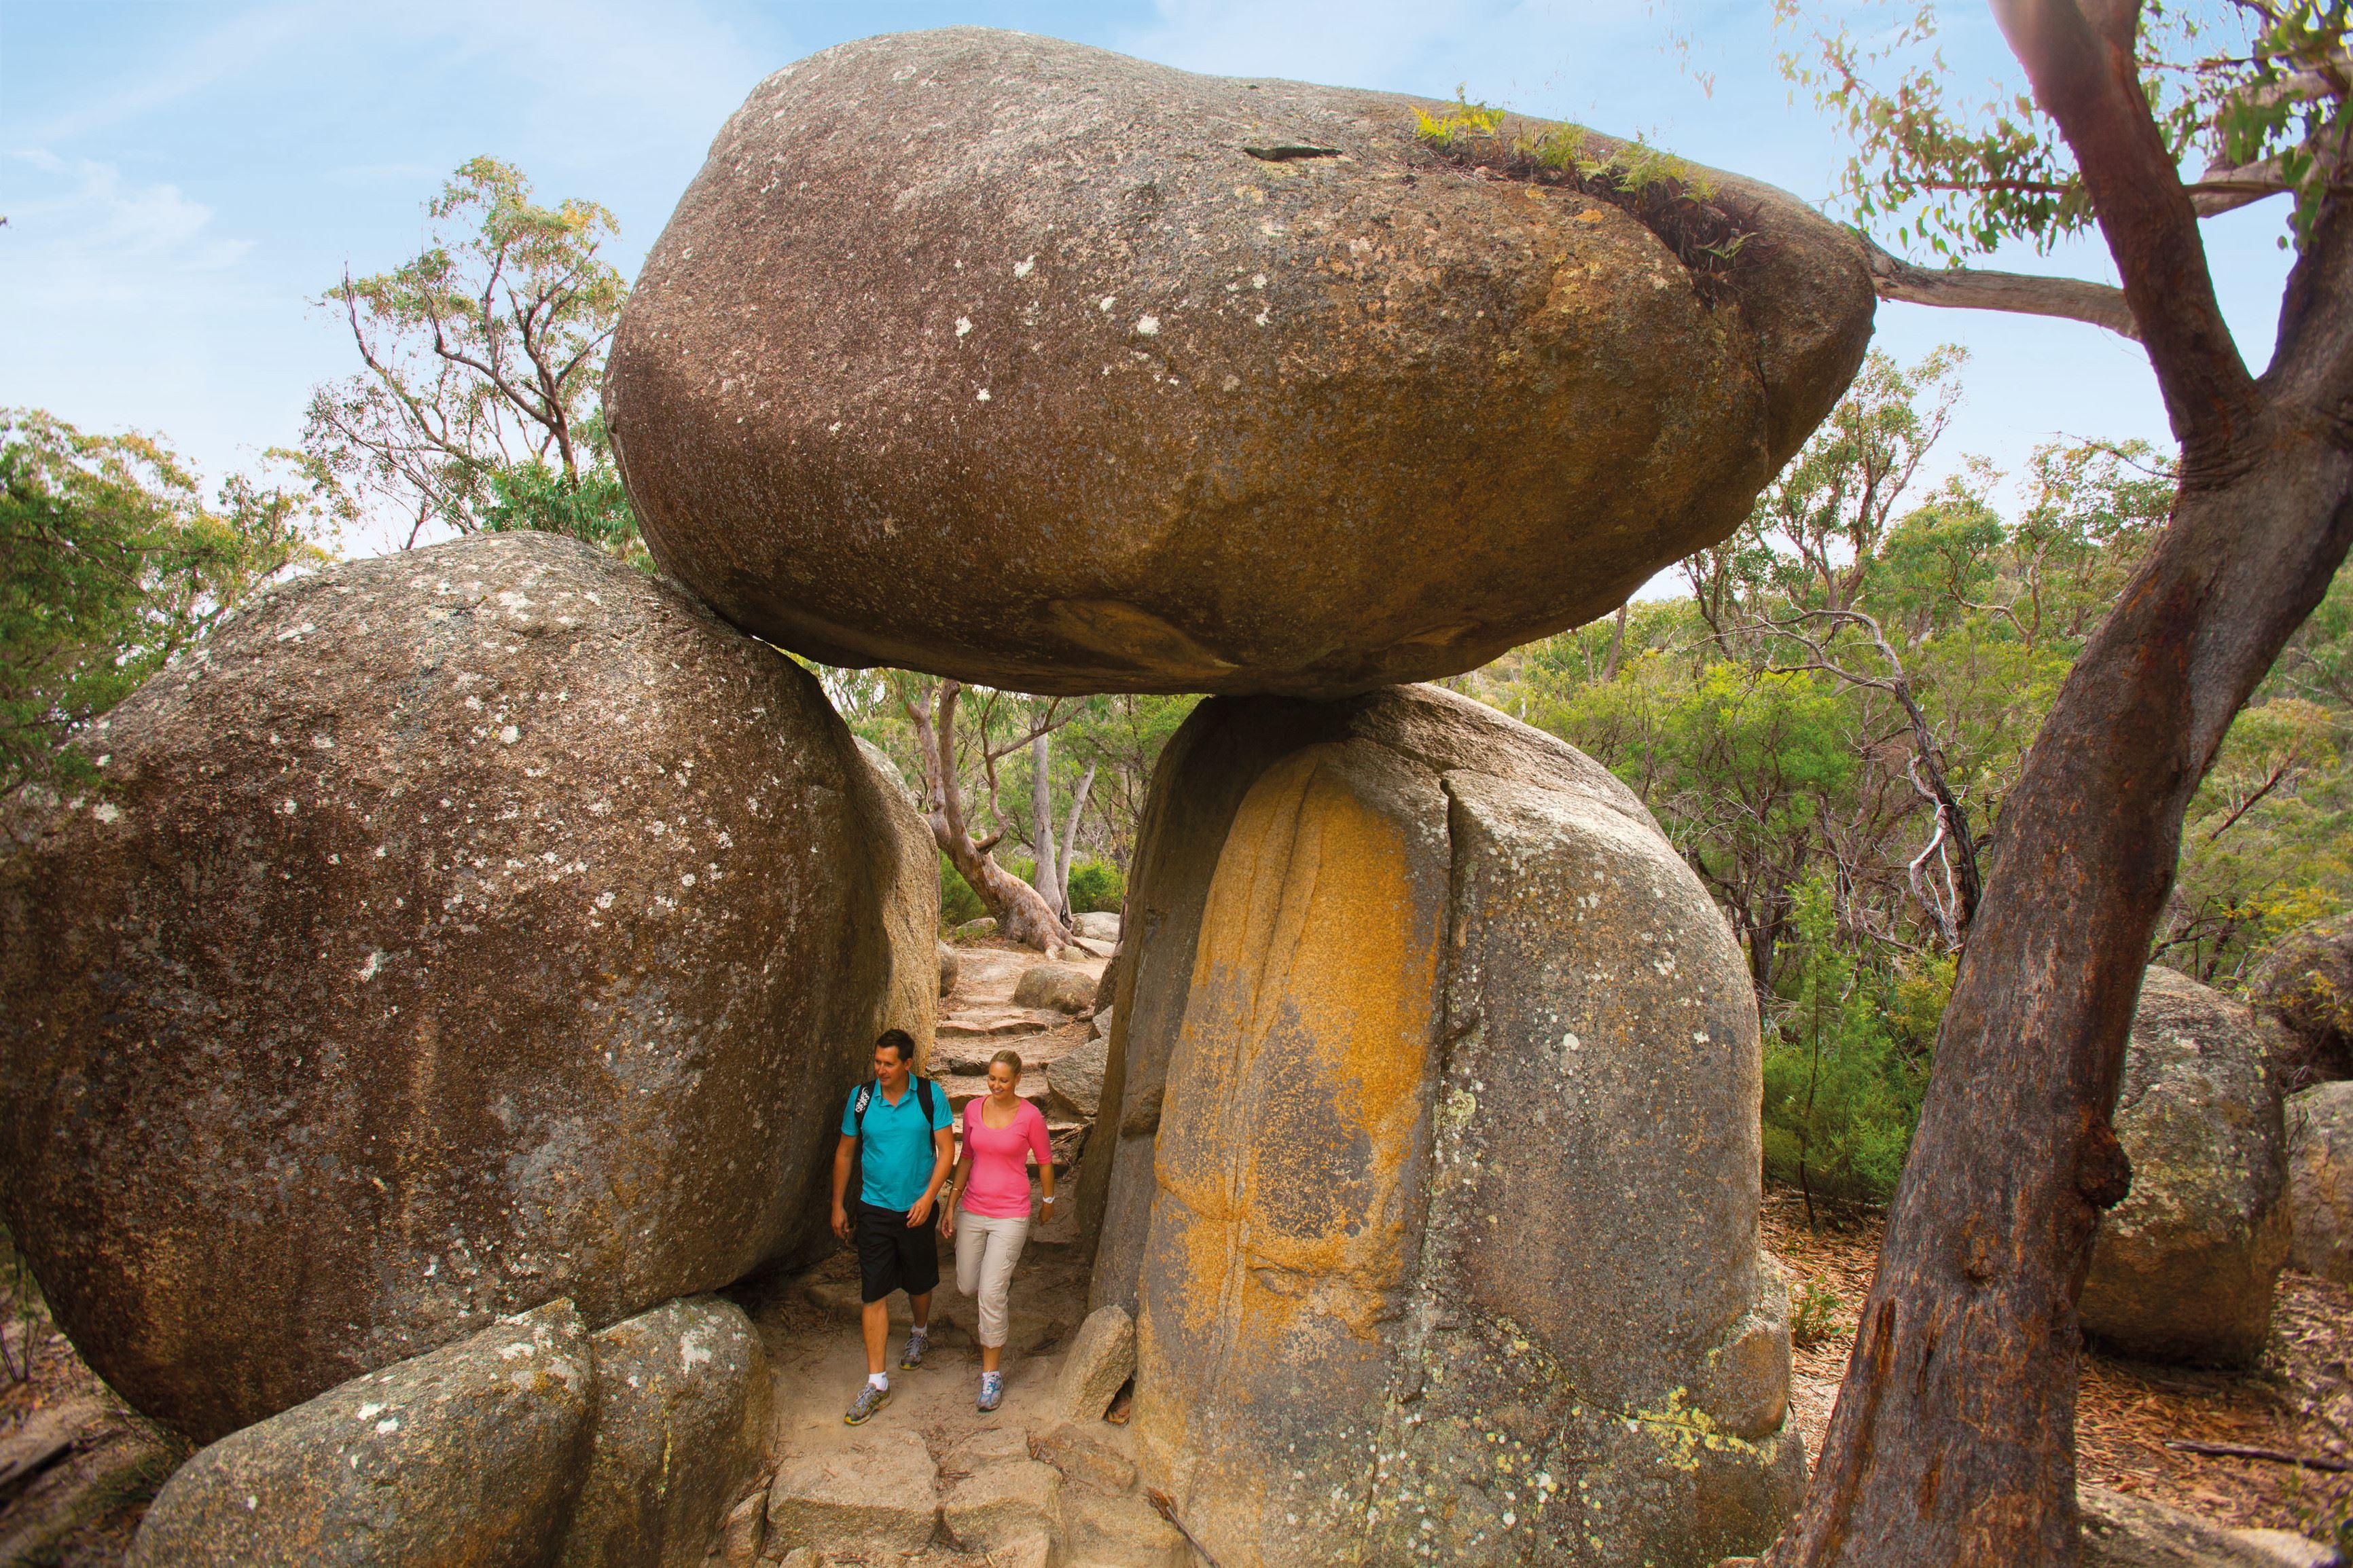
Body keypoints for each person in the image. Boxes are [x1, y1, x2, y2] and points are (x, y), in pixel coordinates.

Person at [831, 1028, 954, 1425]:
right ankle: (877, 1381)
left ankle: (919, 1332)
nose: (880, 1069)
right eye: (877, 1062)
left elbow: (948, 1150)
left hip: (916, 1207)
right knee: (874, 1291)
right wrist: (837, 1204)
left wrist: (928, 1197)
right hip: (873, 1208)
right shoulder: (862, 1097)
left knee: (919, 1282)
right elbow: (846, 1152)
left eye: (888, 1063)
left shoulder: (928, 1095)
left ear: (906, 1064)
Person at [939, 1047, 1055, 1412]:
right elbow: (967, 1157)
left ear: (1018, 1079)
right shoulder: (974, 1110)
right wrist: (952, 1203)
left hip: (1010, 1213)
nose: (996, 1085)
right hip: (974, 1208)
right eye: (991, 1078)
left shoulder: (1031, 1116)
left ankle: (991, 1375)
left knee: (989, 1293)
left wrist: (1049, 1202)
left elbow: (1046, 1162)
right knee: (967, 1285)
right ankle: (996, 1279)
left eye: (1004, 1080)